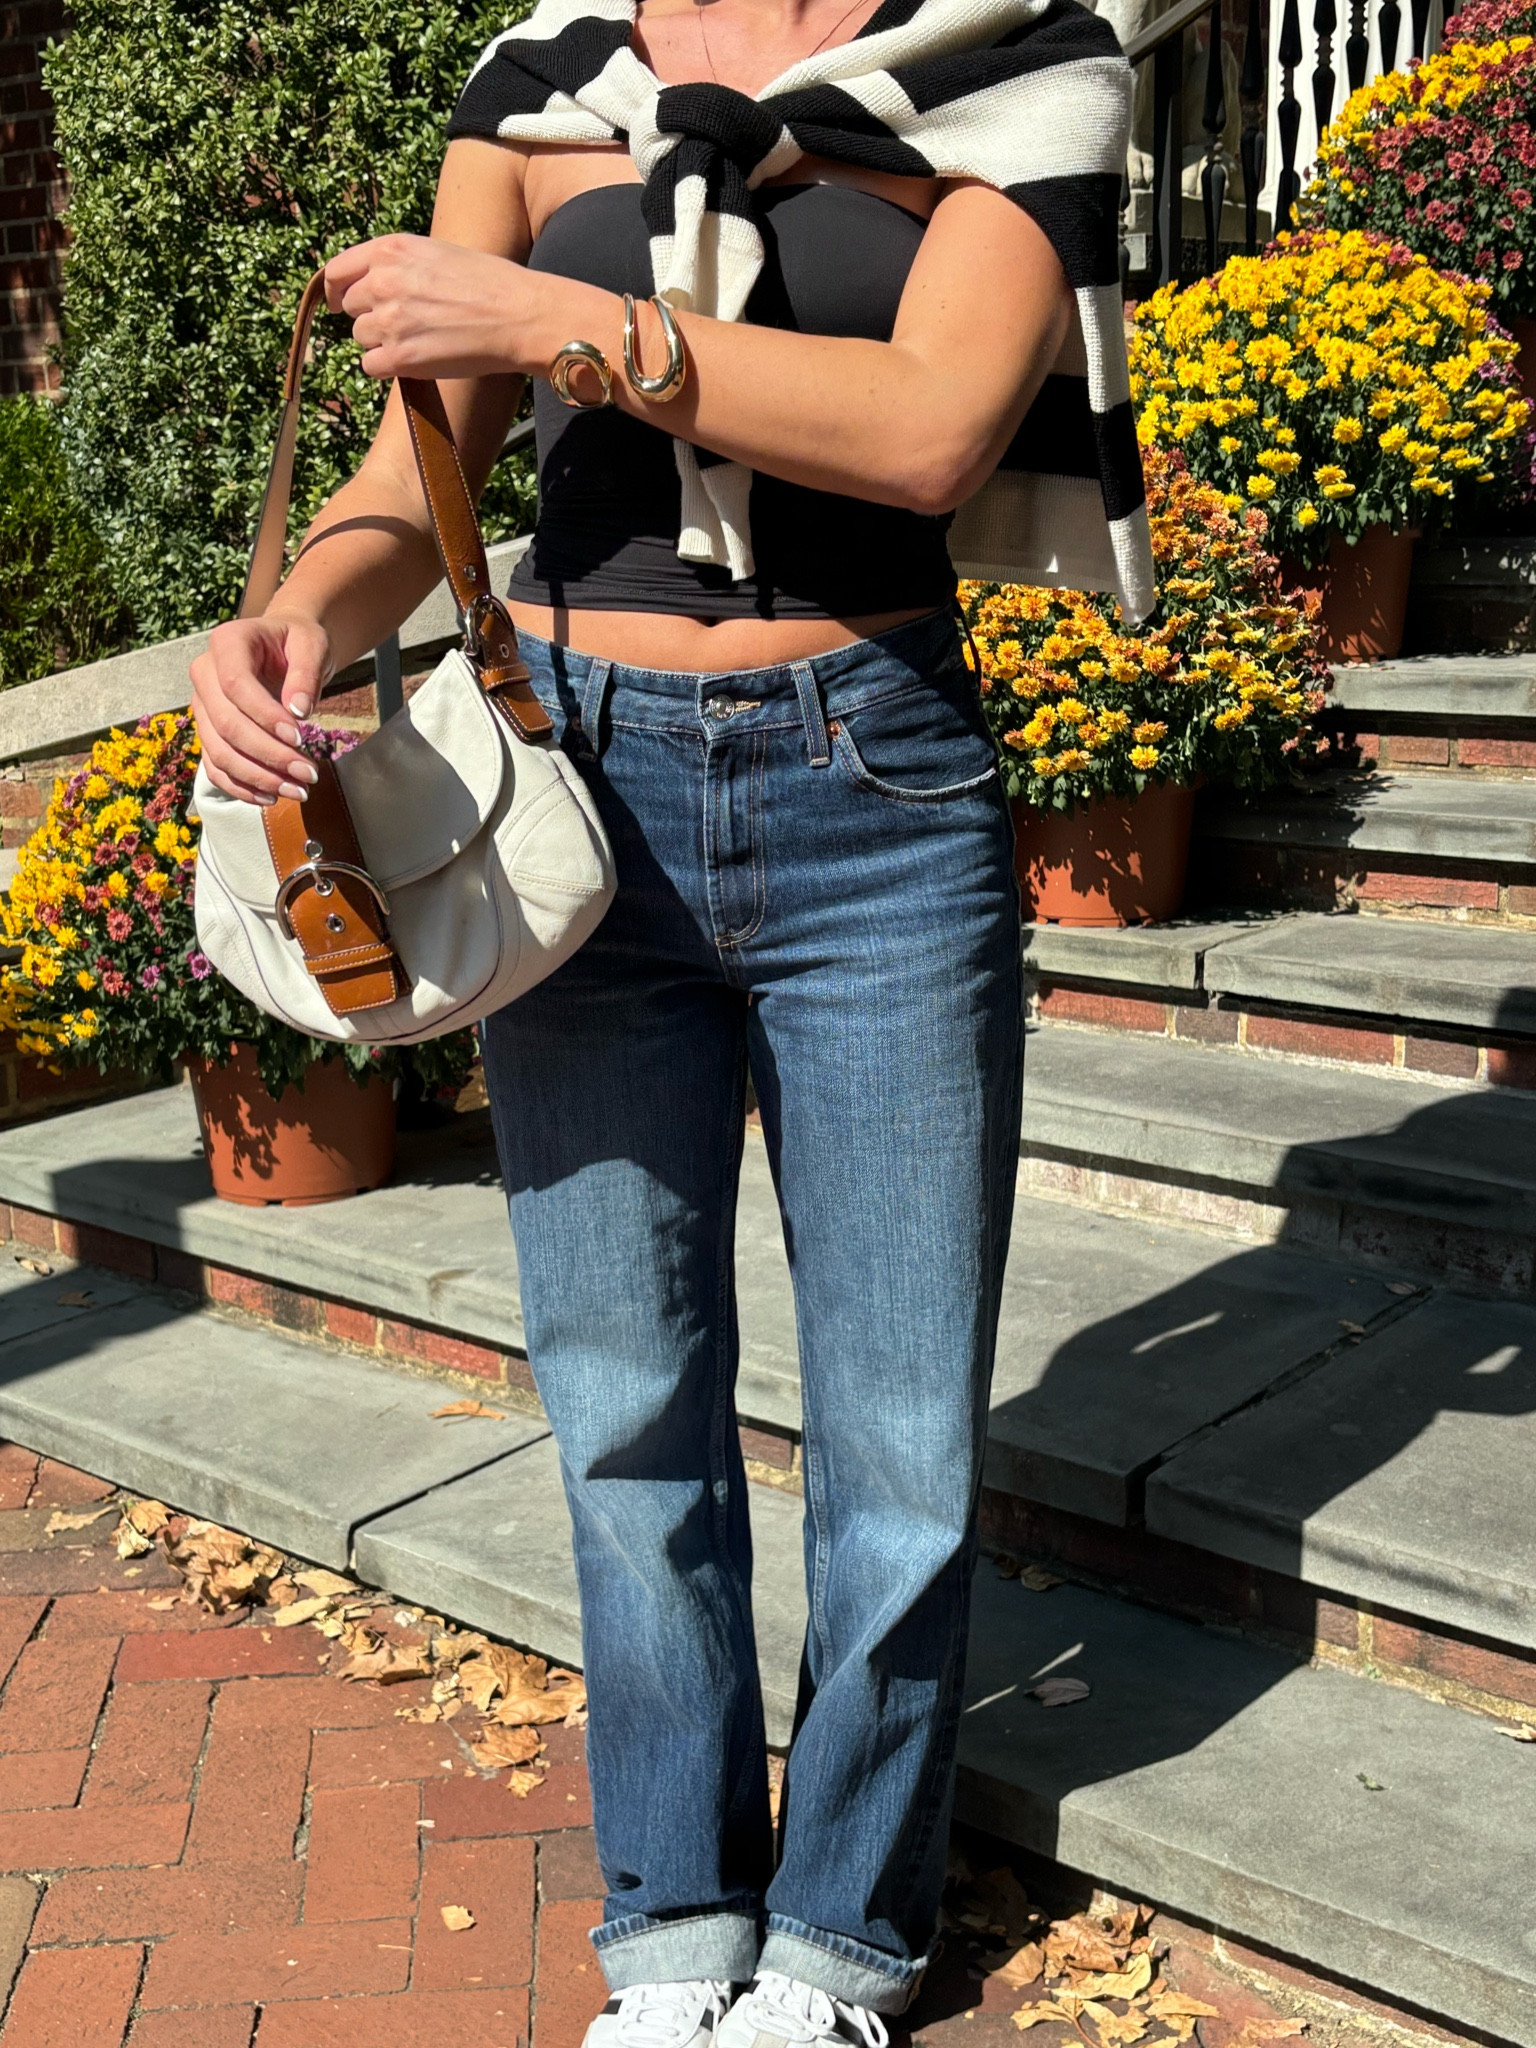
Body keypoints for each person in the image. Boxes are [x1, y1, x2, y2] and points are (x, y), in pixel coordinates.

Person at [190, 0, 1145, 2039]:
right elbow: (419, 459)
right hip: (572, 787)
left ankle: (843, 1934)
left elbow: (931, 429)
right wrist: (298, 624)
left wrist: (561, 322)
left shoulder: (1014, 57)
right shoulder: (539, 80)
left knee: (899, 1430)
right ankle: (680, 1918)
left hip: (878, 786)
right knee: (625, 1400)